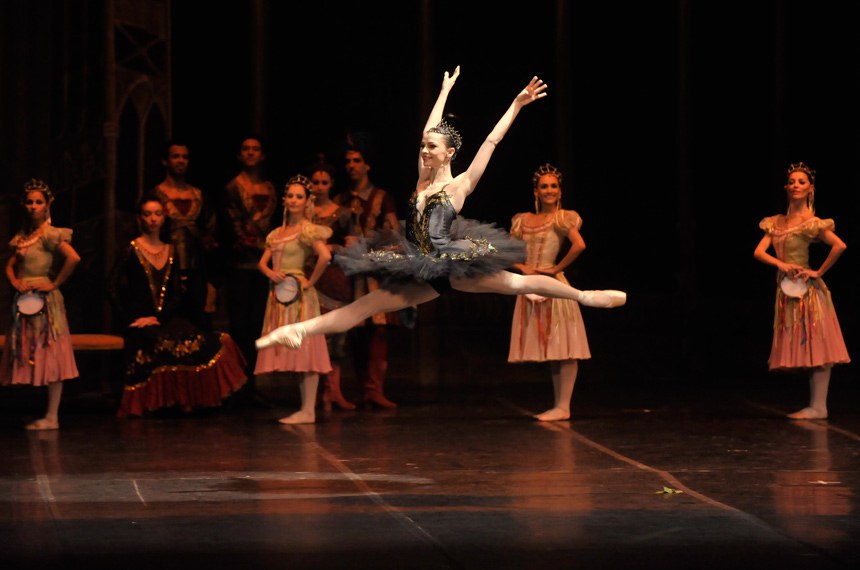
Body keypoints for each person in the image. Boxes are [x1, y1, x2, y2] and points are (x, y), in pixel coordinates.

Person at [256, 66, 625, 356]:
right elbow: (428, 129)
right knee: (362, 308)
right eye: (424, 147)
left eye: (431, 147)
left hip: (452, 263)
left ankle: (584, 296)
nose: (424, 151)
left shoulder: (460, 185)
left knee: (518, 284)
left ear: (449, 153)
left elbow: (491, 141)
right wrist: (444, 90)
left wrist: (516, 105)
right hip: (419, 267)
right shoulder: (422, 180)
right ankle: (297, 331)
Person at [108, 194, 248, 418]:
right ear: (140, 218)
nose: (153, 219)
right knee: (150, 341)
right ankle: (154, 401)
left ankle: (186, 399)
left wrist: (160, 317)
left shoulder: (171, 250)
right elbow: (112, 286)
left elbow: (176, 293)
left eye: (157, 214)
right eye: (147, 214)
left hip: (165, 318)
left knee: (205, 340)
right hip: (138, 319)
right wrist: (131, 318)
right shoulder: (131, 249)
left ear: (164, 217)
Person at [753, 162, 849, 420]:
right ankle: (816, 406)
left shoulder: (811, 222)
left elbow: (839, 246)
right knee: (806, 344)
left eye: (801, 182)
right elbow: (759, 252)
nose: (796, 185)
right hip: (787, 291)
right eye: (792, 182)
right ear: (786, 187)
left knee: (818, 343)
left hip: (808, 291)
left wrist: (818, 272)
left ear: (810, 188)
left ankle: (819, 406)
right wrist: (781, 264)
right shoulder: (777, 222)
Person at [508, 164, 591, 422]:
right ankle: (560, 406)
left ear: (560, 191)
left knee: (565, 345)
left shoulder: (562, 218)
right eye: (544, 186)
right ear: (536, 191)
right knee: (554, 348)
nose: (549, 190)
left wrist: (555, 268)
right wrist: (523, 268)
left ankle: (563, 406)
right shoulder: (522, 220)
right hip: (531, 285)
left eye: (553, 186)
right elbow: (506, 251)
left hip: (554, 284)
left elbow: (579, 245)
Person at [1, 179, 80, 430]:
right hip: (25, 299)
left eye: (38, 202)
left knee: (51, 351)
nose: (34, 206)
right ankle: (44, 413)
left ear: (47, 205)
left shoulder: (49, 234)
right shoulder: (24, 237)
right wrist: (15, 281)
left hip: (44, 300)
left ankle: (52, 416)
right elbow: (10, 265)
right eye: (30, 202)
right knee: (33, 352)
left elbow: (73, 258)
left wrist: (54, 283)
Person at [255, 175, 333, 424]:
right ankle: (306, 409)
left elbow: (325, 256)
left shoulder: (307, 230)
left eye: (299, 196)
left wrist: (309, 282)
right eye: (290, 196)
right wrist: (271, 273)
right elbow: (262, 263)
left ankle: (308, 410)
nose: (294, 200)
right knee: (298, 352)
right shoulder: (277, 233)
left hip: (300, 297)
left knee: (307, 349)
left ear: (307, 201)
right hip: (279, 297)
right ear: (284, 200)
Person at [333, 137, 402, 408]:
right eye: (348, 161)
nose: (351, 166)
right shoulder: (339, 200)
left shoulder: (381, 198)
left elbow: (394, 237)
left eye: (356, 161)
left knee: (379, 330)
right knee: (355, 333)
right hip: (348, 276)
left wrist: (365, 243)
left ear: (367, 165)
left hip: (375, 274)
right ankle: (362, 388)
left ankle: (375, 389)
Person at [221, 135, 278, 383]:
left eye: (255, 149)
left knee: (257, 324)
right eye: (246, 149)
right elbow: (233, 226)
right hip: (241, 263)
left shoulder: (271, 189)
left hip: (264, 266)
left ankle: (251, 383)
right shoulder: (233, 187)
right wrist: (257, 244)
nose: (251, 153)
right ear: (239, 155)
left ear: (262, 155)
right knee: (239, 324)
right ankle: (237, 382)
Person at [308, 160, 358, 410]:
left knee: (336, 335)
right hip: (310, 277)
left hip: (335, 277)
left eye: (324, 182)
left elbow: (353, 247)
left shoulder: (344, 214)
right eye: (315, 182)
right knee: (314, 336)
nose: (319, 186)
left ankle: (333, 391)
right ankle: (314, 394)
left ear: (331, 185)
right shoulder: (303, 212)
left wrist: (333, 247)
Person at [154, 141, 218, 328]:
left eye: (184, 157)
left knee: (198, 322)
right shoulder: (155, 196)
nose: (180, 161)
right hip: (165, 269)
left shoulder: (199, 195)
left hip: (197, 269)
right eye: (175, 156)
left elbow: (210, 230)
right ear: (165, 161)